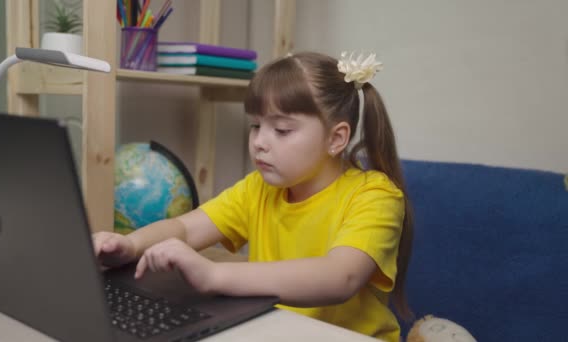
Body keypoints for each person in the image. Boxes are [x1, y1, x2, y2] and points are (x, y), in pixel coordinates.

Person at [93, 51, 413, 341]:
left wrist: (215, 275)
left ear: (336, 138)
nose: (260, 141)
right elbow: (187, 228)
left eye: (282, 130)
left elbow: (339, 276)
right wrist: (131, 246)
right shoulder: (257, 189)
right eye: (256, 126)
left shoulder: (376, 196)